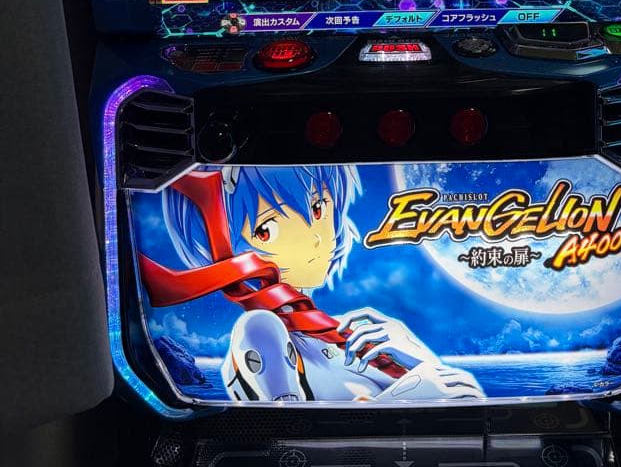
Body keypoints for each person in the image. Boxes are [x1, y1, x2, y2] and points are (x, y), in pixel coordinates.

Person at [161, 165, 484, 403]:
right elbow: (282, 431)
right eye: (267, 230)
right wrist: (410, 396)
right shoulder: (260, 332)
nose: (315, 237)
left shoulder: (357, 334)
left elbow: (461, 398)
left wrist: (423, 363)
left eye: (319, 208)